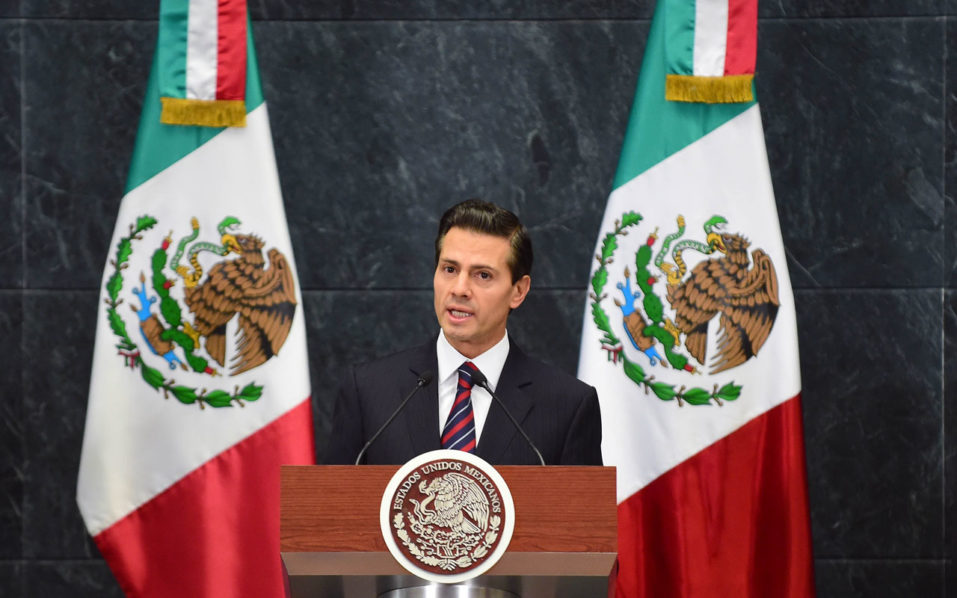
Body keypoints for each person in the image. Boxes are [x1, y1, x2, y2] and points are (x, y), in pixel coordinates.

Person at [324, 199, 602, 465]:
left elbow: (581, 513)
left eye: (482, 275)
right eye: (449, 269)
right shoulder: (369, 391)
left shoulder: (567, 406)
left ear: (518, 291)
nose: (459, 289)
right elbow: (331, 506)